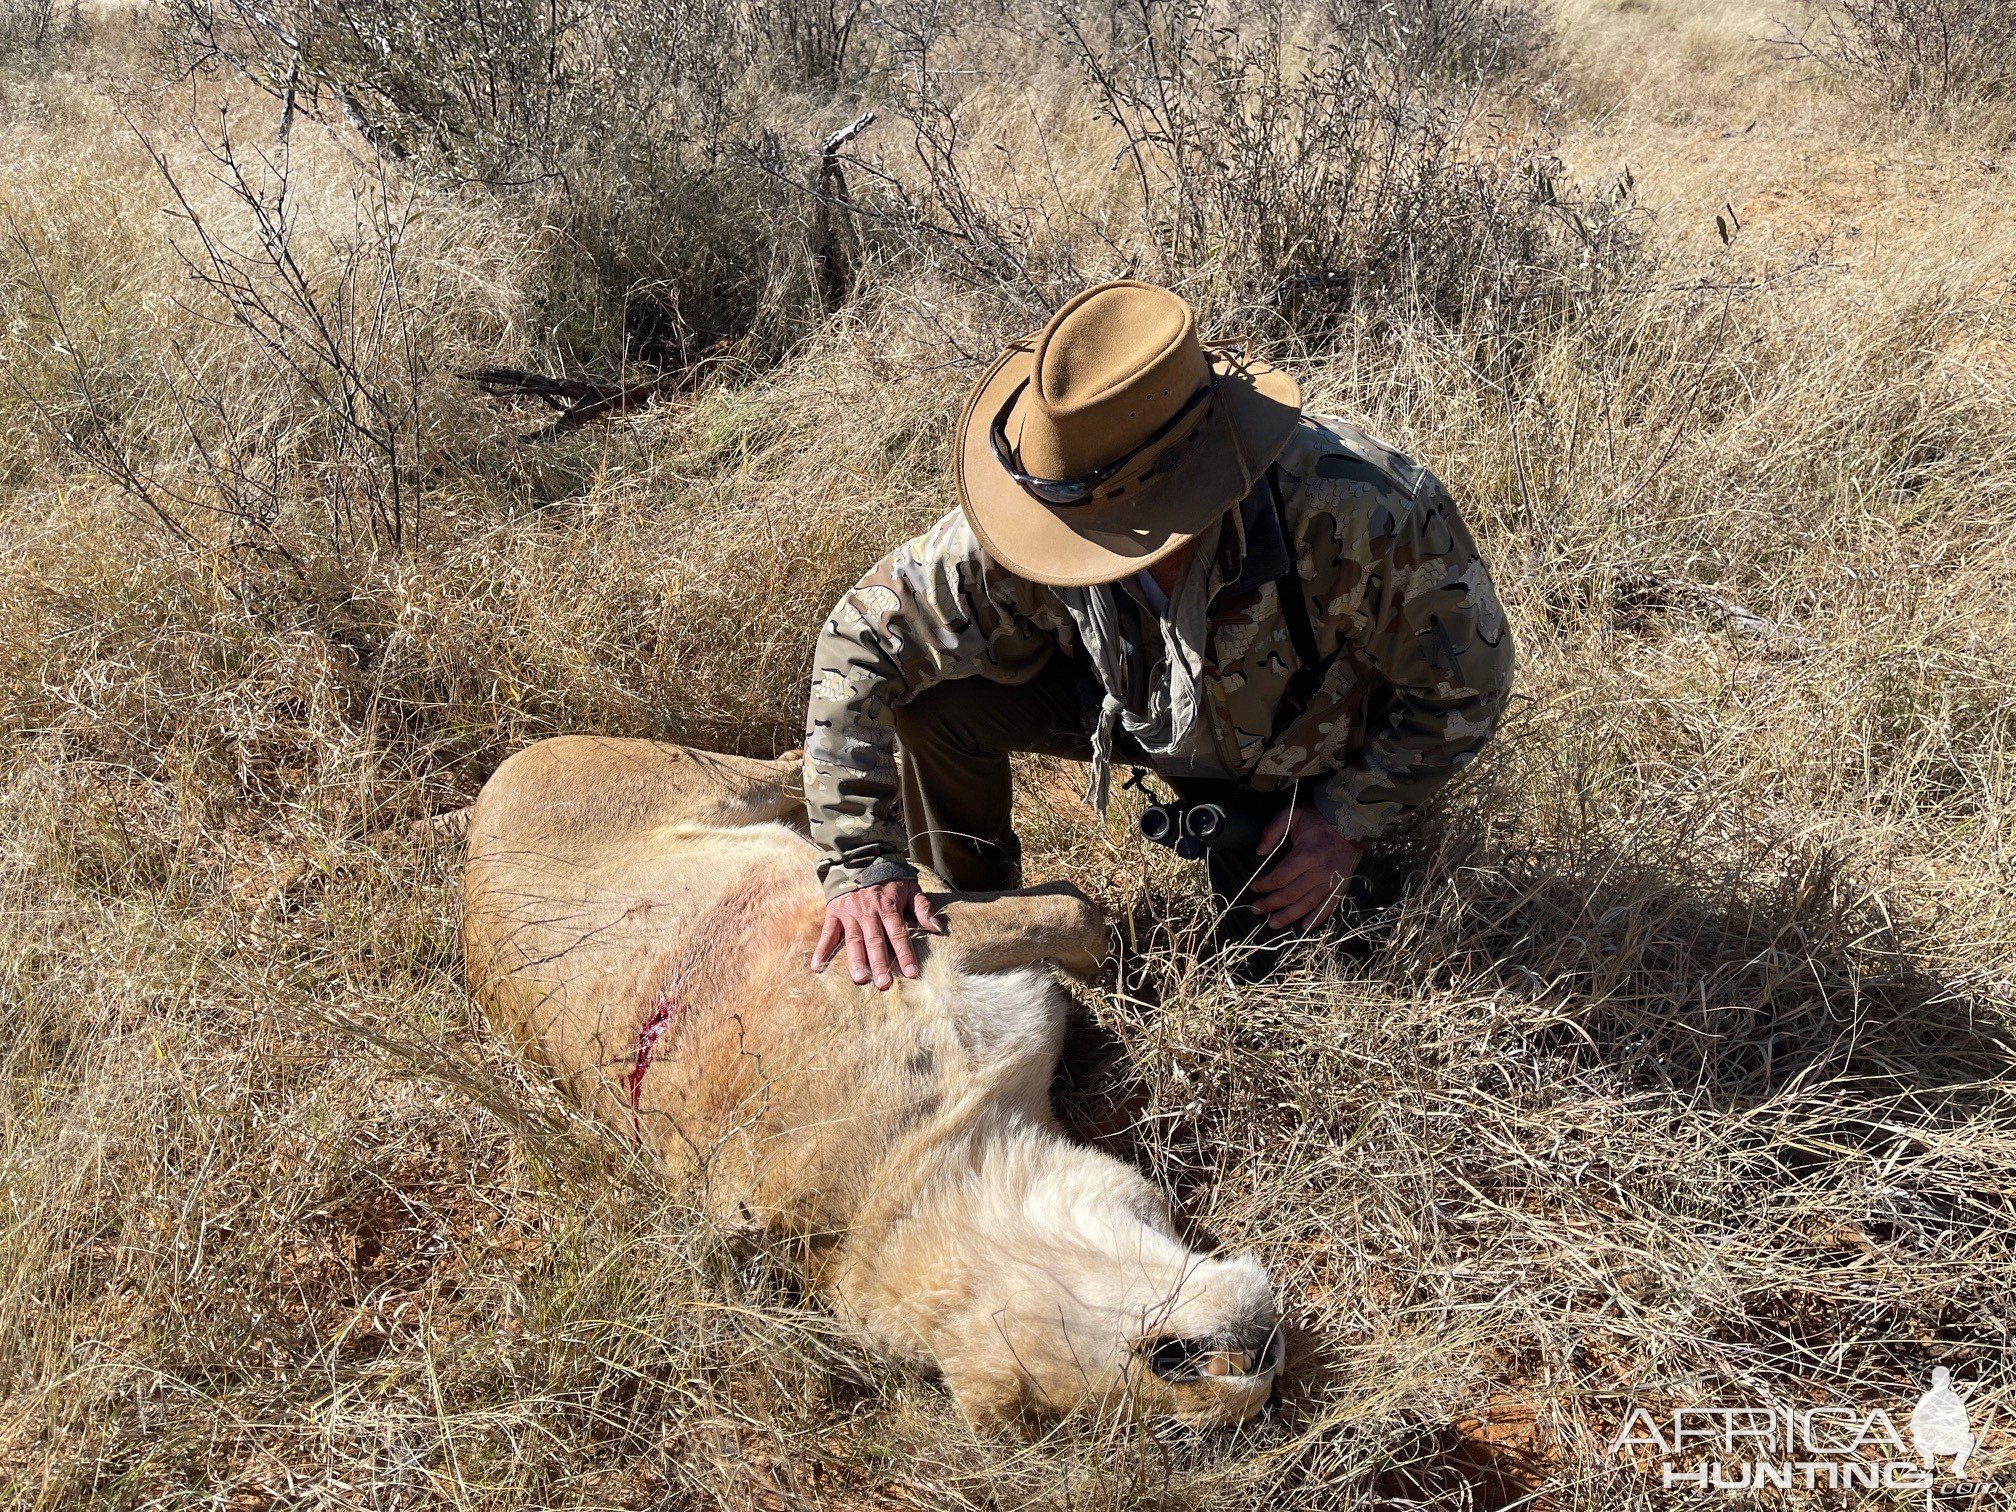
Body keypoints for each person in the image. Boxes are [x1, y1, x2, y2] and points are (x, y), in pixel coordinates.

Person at [803, 279, 1514, 989]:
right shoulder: (1046, 505)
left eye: (1098, 533)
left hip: (1296, 764)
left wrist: (1345, 820)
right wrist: (863, 862)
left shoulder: (1365, 512)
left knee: (1291, 977)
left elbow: (1467, 688)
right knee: (938, 707)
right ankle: (982, 919)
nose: (1066, 544)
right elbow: (858, 637)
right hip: (1127, 705)